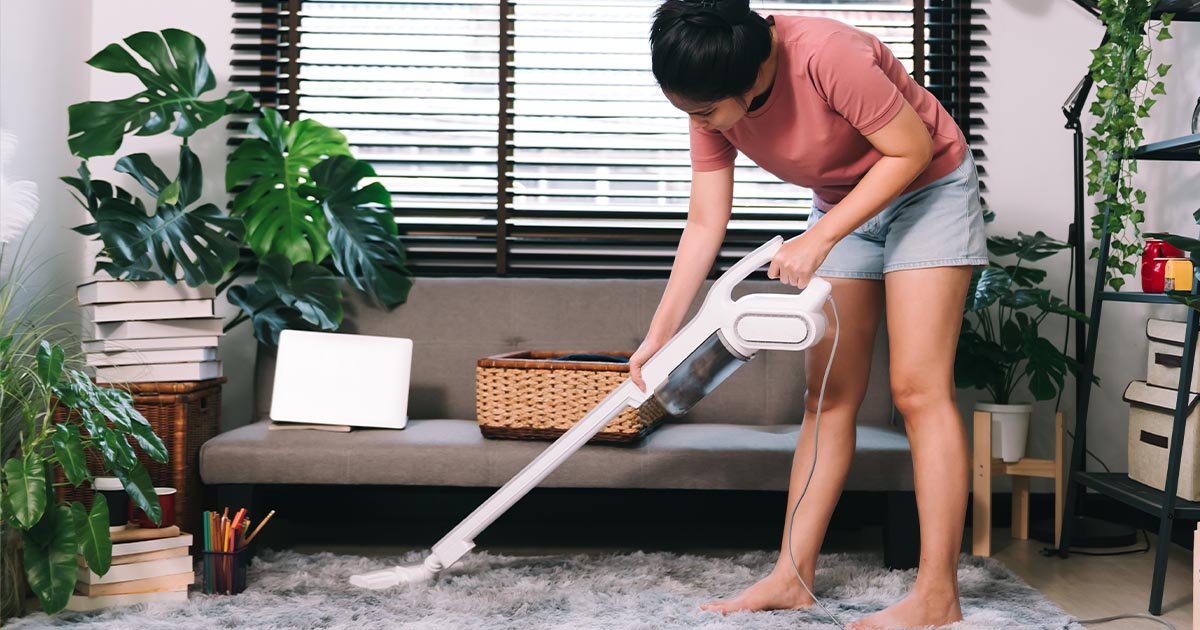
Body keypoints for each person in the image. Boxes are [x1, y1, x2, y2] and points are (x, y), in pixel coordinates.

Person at [629, 1, 987, 628]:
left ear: (751, 77)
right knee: (827, 395)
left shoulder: (825, 53)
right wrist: (660, 336)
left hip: (927, 188)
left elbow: (908, 151)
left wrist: (819, 240)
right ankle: (791, 578)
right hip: (846, 203)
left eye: (706, 112)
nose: (699, 123)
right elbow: (706, 220)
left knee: (917, 390)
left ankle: (938, 597)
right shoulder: (709, 87)